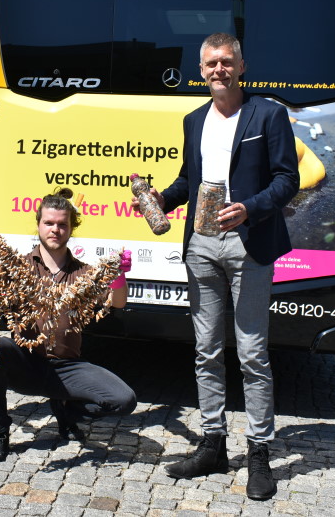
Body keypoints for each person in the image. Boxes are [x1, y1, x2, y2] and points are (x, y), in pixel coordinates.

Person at [134, 33, 299, 501]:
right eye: (211, 63)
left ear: (242, 66)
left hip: (249, 244)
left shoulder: (268, 114)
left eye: (227, 62)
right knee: (205, 350)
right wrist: (162, 199)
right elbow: (190, 179)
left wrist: (250, 207)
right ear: (201, 69)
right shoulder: (193, 120)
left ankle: (261, 453)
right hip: (201, 246)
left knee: (251, 353)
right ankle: (212, 445)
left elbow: (289, 179)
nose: (219, 70)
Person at [0, 189, 136, 463]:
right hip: (26, 361)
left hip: (67, 367)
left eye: (62, 224)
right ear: (38, 225)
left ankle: (66, 411)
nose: (55, 230)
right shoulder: (18, 267)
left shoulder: (84, 273)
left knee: (123, 400)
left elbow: (116, 303)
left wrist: (118, 276)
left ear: (72, 228)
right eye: (49, 223)